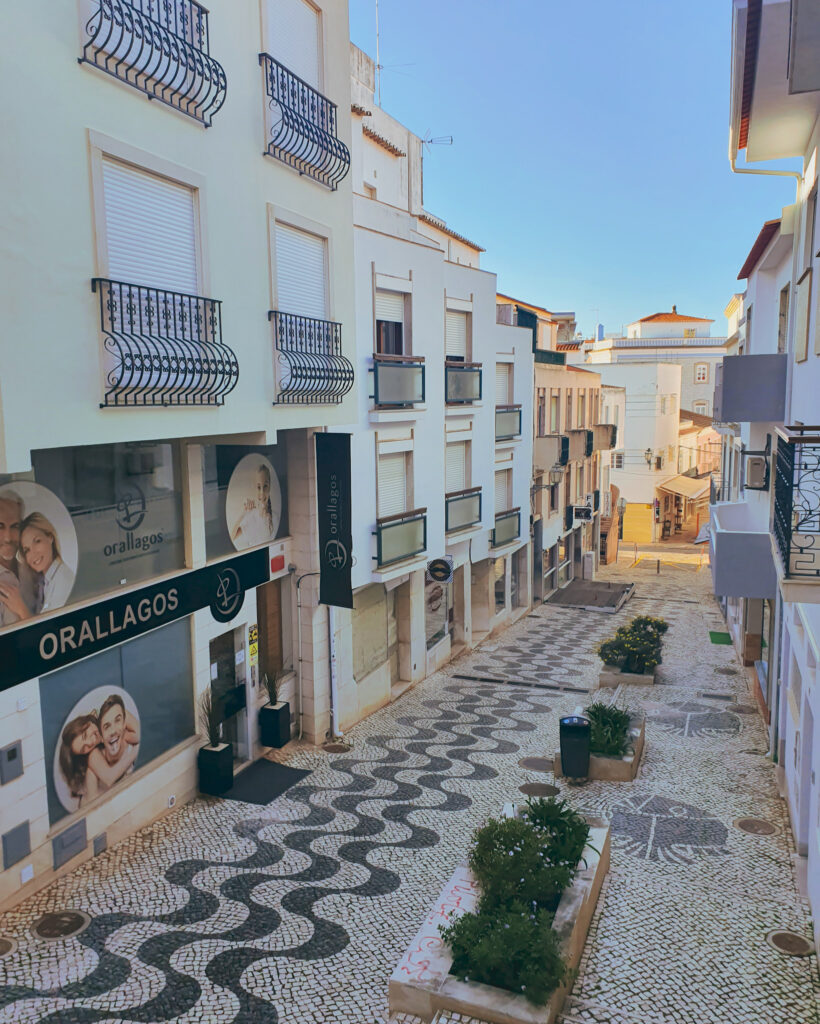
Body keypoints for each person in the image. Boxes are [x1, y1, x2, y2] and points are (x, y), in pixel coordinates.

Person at [57, 702, 140, 808]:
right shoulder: (93, 755)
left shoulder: (112, 713)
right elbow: (109, 778)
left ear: (85, 722)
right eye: (84, 748)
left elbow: (138, 735)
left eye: (85, 735)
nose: (90, 742)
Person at [19, 511, 75, 613]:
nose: (33, 553)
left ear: (50, 537)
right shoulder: (45, 583)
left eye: (37, 541)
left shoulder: (63, 580)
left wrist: (21, 610)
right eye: (27, 550)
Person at [0, 490, 36, 626]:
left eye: (15, 526)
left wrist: (22, 610)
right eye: (0, 526)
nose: (8, 538)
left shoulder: (29, 570)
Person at [231, 463, 275, 548]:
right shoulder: (251, 516)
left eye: (265, 486)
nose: (262, 493)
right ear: (255, 488)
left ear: (270, 487)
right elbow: (232, 537)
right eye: (259, 487)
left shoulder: (274, 517)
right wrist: (243, 514)